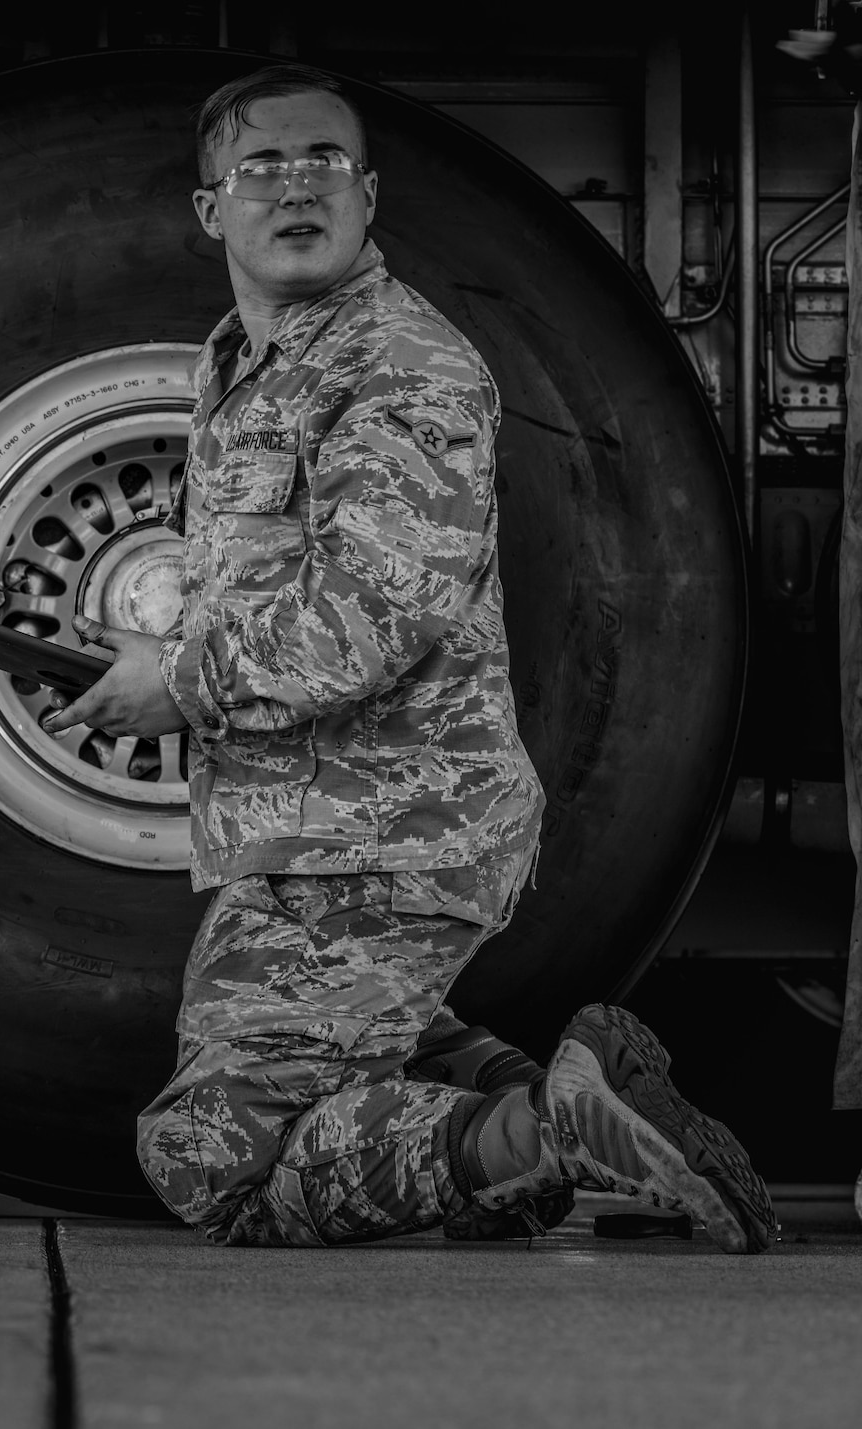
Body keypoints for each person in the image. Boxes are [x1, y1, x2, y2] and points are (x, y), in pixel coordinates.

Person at [44, 64, 776, 1252]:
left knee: (210, 1163)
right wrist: (168, 643)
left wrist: (175, 682)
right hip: (316, 831)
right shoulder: (243, 359)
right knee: (332, 1057)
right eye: (261, 165)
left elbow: (367, 616)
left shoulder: (399, 367)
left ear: (368, 194)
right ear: (208, 209)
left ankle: (547, 1132)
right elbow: (281, 576)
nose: (296, 185)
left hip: (383, 833)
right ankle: (519, 1122)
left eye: (324, 160)